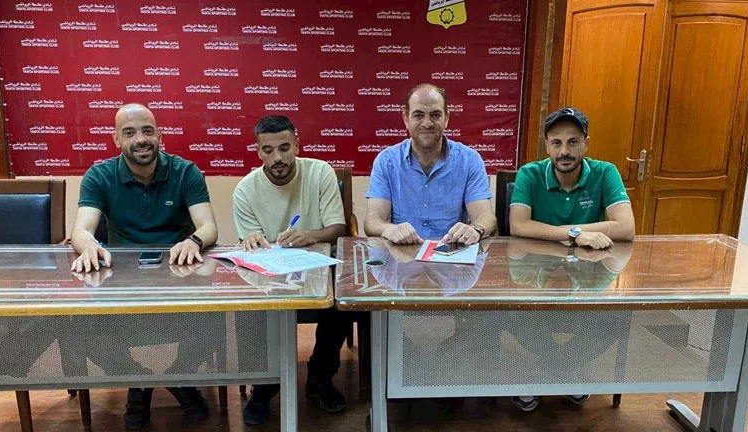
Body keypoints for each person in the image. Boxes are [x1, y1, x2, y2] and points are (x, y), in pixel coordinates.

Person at [70, 103, 218, 429]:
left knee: (214, 322)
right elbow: (81, 230)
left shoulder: (185, 171)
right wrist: (89, 245)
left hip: (180, 276)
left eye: (148, 130)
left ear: (159, 135)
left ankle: (177, 378)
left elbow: (208, 227)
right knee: (85, 333)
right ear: (116, 140)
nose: (141, 139)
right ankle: (141, 383)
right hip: (121, 281)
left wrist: (193, 241)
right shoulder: (99, 176)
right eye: (130, 132)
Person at [508, 106, 635, 411]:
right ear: (547, 145)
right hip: (537, 278)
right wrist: (577, 234)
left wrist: (561, 232)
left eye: (573, 142)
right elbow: (518, 225)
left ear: (586, 144)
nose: (564, 151)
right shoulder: (530, 174)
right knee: (510, 314)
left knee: (616, 319)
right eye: (556, 143)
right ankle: (569, 371)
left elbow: (626, 228)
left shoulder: (605, 172)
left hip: (590, 280)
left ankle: (546, 373)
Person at [232, 115, 347, 425]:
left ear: (297, 145)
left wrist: (309, 235)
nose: (277, 158)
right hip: (269, 273)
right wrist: (251, 240)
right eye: (268, 150)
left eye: (284, 148)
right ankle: (265, 384)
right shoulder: (245, 190)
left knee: (339, 305)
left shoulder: (320, 172)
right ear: (258, 151)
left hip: (318, 266)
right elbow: (249, 241)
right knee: (248, 310)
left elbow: (338, 227)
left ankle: (320, 376)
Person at [364, 83, 497, 244]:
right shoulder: (386, 161)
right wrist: (388, 229)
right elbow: (372, 221)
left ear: (446, 119)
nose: (427, 123)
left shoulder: (469, 160)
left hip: (452, 252)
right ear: (406, 119)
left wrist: (476, 229)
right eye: (418, 115)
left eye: (435, 115)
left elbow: (486, 217)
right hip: (401, 254)